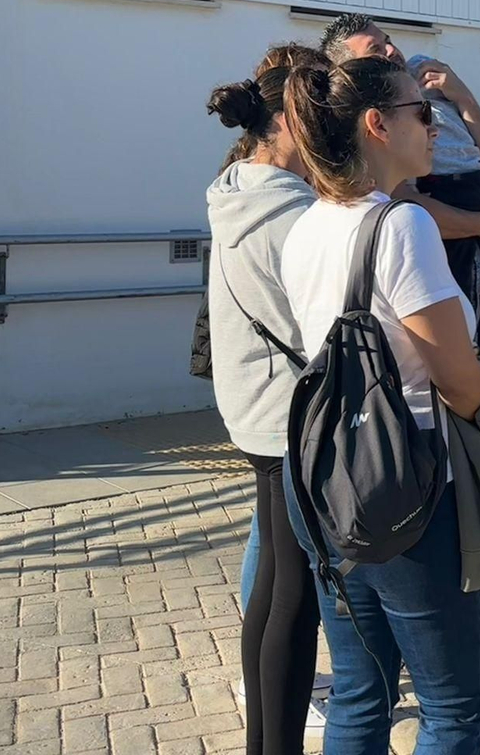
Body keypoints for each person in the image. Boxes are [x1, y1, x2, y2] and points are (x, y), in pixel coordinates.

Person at [279, 56, 480, 755]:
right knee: (455, 709)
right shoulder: (403, 226)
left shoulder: (307, 224)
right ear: (378, 124)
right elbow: (460, 383)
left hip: (322, 474)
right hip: (408, 482)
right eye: (422, 113)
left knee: (361, 692)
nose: (435, 128)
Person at [204, 46, 329, 754]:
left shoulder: (234, 190)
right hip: (292, 418)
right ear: (285, 122)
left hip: (255, 410)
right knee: (295, 598)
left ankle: (263, 743)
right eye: (319, 117)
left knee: (276, 583)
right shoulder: (292, 215)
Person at [320, 14, 480, 363]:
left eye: (388, 39)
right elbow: (403, 198)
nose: (392, 50)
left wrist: (463, 96)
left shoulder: (427, 75)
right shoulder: (374, 150)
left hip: (474, 265)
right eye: (376, 49)